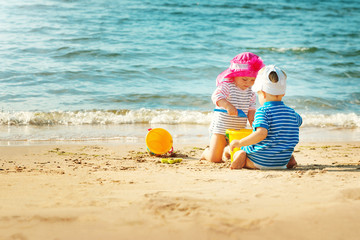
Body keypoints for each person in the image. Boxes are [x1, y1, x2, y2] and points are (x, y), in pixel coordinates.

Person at [229, 65, 302, 170]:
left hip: (260, 161)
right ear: (283, 93)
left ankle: (242, 158)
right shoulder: (292, 113)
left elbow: (261, 134)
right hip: (282, 161)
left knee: (241, 150)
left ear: (262, 93)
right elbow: (299, 122)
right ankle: (289, 159)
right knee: (282, 149)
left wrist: (240, 142)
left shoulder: (263, 111)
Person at [201, 52, 265, 163]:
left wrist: (254, 125)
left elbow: (251, 110)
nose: (248, 83)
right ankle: (206, 152)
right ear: (235, 75)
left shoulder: (251, 92)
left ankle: (225, 151)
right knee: (214, 159)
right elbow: (216, 96)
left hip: (237, 128)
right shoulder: (227, 86)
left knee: (235, 153)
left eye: (252, 80)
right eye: (244, 79)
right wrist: (228, 106)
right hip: (221, 128)